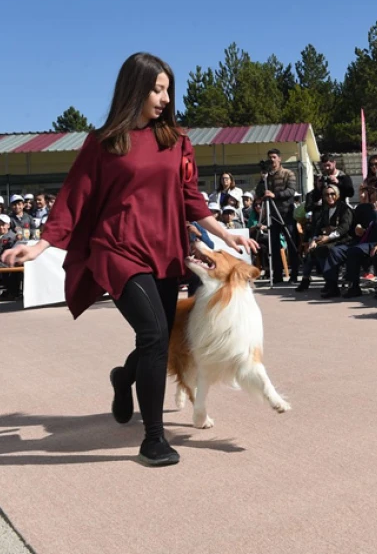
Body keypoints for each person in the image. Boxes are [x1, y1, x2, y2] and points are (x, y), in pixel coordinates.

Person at [0, 52, 257, 467]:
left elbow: (190, 196)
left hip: (164, 249)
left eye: (168, 89)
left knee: (156, 336)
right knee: (155, 333)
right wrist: (40, 245)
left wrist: (225, 233)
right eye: (157, 89)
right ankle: (153, 439)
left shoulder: (175, 140)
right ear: (134, 89)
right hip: (118, 250)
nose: (165, 97)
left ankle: (125, 376)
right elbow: (73, 198)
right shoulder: (103, 143)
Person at [254, 147, 300, 283]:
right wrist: (263, 179)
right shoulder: (267, 175)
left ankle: (294, 275)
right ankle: (278, 275)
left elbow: (291, 191)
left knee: (291, 244)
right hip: (272, 214)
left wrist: (275, 195)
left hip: (287, 213)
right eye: (270, 158)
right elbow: (259, 192)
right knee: (273, 245)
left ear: (279, 158)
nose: (272, 160)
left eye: (274, 157)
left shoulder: (288, 173)